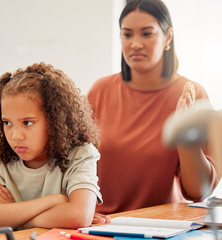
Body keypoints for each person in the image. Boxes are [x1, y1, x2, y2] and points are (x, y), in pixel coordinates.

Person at [88, 0, 219, 215]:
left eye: (147, 34)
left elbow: (198, 191)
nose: (135, 44)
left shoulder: (192, 94)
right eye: (127, 34)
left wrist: (185, 138)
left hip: (162, 225)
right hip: (101, 223)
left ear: (168, 36)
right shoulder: (100, 91)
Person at [0, 62, 110, 230]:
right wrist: (56, 201)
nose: (15, 135)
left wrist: (13, 215)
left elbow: (78, 216)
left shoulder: (80, 154)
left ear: (55, 120)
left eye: (27, 122)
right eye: (7, 122)